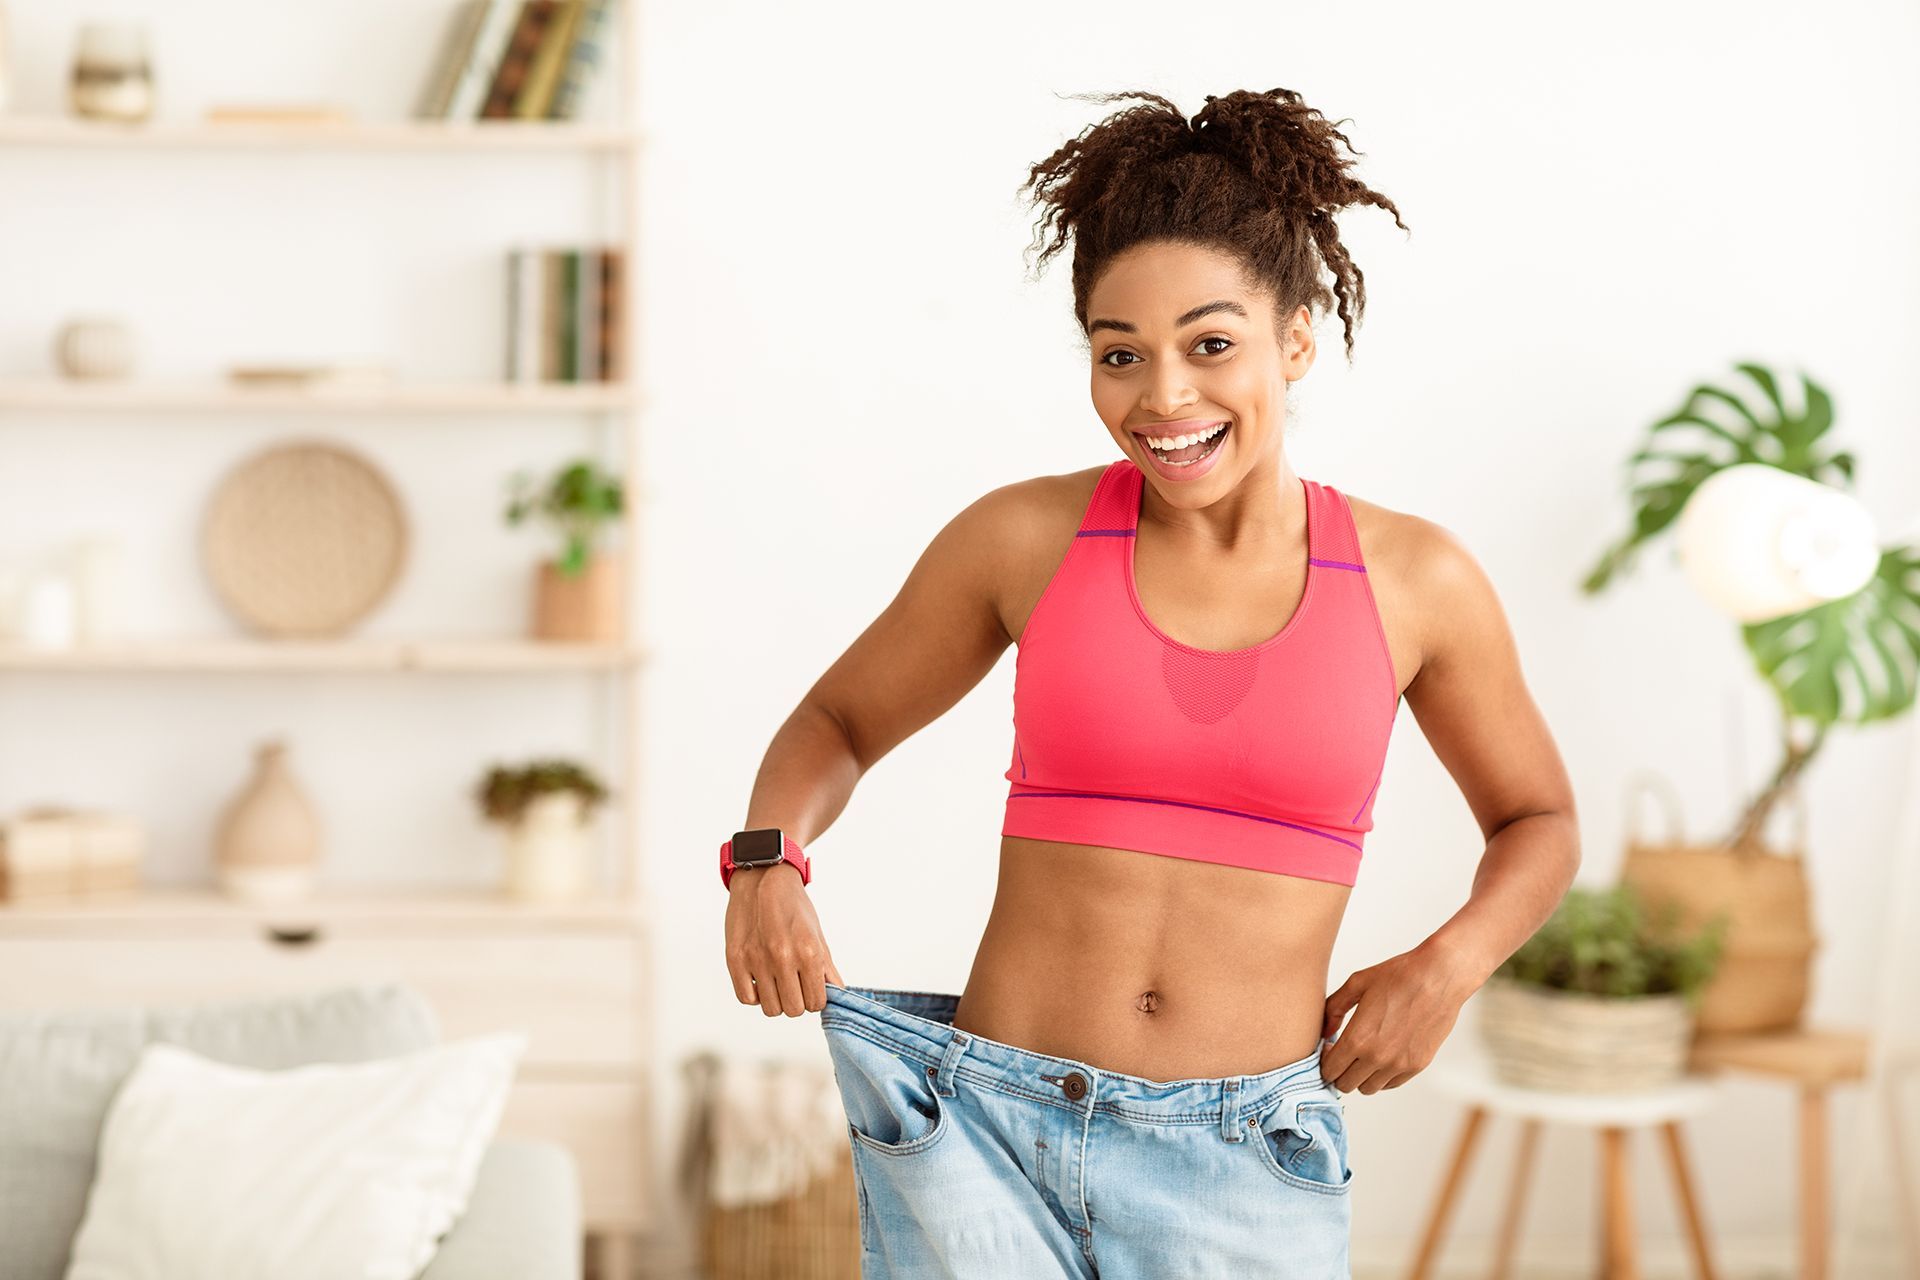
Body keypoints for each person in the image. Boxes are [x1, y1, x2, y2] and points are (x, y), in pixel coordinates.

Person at [718, 86, 1580, 1279]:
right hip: (986, 1131)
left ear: (1295, 337)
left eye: (1210, 343)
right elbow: (841, 718)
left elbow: (1538, 818)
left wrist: (1449, 963)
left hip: (1239, 1160)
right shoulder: (1022, 539)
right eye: (1120, 353)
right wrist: (766, 857)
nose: (1163, 396)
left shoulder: (1414, 580)